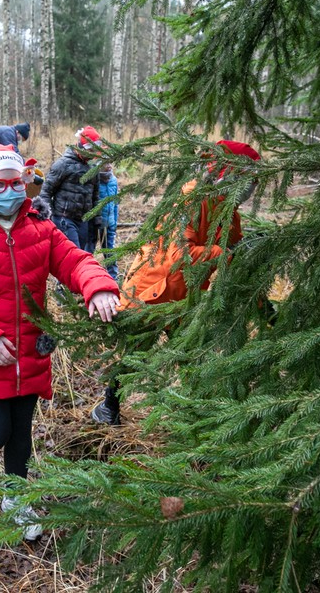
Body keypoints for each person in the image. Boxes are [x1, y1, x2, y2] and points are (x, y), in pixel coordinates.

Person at [0, 145, 120, 540]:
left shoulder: (40, 227)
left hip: (30, 353)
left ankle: (17, 501)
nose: (11, 190)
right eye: (1, 184)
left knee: (21, 435)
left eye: (18, 183)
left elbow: (74, 260)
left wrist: (97, 286)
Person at [91, 140, 260, 426]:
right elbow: (182, 253)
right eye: (246, 179)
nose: (249, 189)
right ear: (228, 174)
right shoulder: (192, 199)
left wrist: (249, 249)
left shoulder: (227, 209)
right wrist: (231, 255)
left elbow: (232, 245)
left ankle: (197, 415)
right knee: (137, 353)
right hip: (153, 289)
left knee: (192, 354)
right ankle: (108, 407)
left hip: (185, 295)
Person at [38, 126, 103, 251]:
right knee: (74, 253)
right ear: (80, 146)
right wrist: (48, 215)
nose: (91, 154)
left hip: (83, 220)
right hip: (64, 218)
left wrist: (97, 218)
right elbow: (46, 191)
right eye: (89, 150)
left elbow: (95, 196)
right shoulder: (63, 164)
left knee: (82, 253)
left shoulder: (93, 169)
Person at [88, 162, 120, 281]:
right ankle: (87, 277)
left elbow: (116, 203)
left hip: (109, 223)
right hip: (95, 224)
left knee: (109, 251)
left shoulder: (113, 180)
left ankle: (113, 278)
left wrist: (114, 221)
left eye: (111, 162)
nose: (109, 165)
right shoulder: (94, 181)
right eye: (106, 163)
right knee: (88, 251)